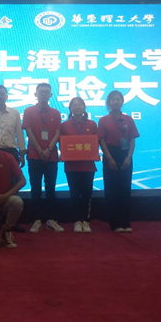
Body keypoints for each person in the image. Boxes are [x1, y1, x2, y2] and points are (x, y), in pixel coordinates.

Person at [0, 85, 27, 233]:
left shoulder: (15, 113)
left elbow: (19, 133)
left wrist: (22, 152)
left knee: (13, 184)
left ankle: (14, 221)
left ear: (7, 96)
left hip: (11, 152)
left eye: (2, 94)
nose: (0, 96)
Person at [22, 83, 63, 234]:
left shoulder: (56, 112)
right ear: (36, 94)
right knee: (36, 189)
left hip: (51, 156)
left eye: (47, 92)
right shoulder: (29, 111)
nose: (44, 94)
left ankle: (51, 220)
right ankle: (37, 220)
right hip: (34, 156)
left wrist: (49, 149)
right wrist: (40, 151)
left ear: (51, 95)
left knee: (51, 188)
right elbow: (29, 132)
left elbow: (58, 133)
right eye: (41, 92)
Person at [98, 91, 140, 233]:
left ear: (122, 102)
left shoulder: (128, 119)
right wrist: (109, 158)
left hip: (125, 154)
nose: (115, 102)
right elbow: (101, 141)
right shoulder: (103, 120)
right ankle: (114, 223)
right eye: (113, 100)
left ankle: (125, 222)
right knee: (112, 189)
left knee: (125, 189)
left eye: (118, 99)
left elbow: (132, 139)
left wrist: (129, 157)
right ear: (108, 103)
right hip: (110, 153)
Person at [60, 97, 98, 233]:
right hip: (71, 166)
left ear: (84, 107)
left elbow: (96, 142)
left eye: (80, 104)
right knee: (74, 194)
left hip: (88, 166)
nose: (77, 107)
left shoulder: (92, 124)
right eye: (74, 105)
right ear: (70, 108)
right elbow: (61, 143)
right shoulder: (64, 125)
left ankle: (86, 221)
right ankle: (77, 220)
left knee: (87, 193)